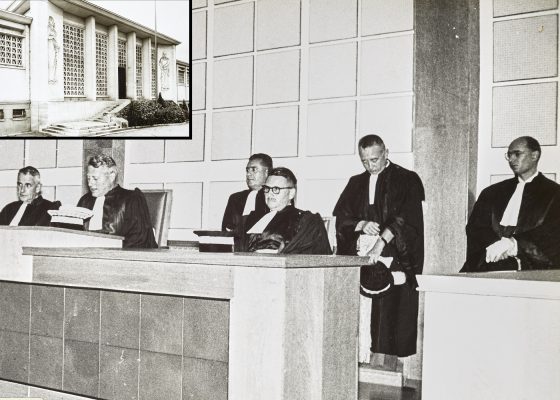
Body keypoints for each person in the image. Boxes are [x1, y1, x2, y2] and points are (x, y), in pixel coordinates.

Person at [333, 134, 425, 369]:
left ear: (386, 153)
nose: (370, 165)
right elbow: (342, 217)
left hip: (393, 254)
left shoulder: (407, 179)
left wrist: (381, 242)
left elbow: (406, 219)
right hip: (362, 255)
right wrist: (361, 224)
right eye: (364, 161)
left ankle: (386, 365)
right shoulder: (355, 182)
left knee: (390, 313)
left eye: (374, 159)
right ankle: (361, 360)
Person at [462, 136, 560, 272]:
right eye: (509, 155)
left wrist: (515, 245)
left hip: (531, 269)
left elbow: (553, 234)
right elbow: (476, 228)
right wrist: (496, 246)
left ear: (534, 155)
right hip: (490, 263)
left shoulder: (554, 193)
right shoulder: (491, 192)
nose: (512, 159)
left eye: (517, 154)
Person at [240, 167, 331, 255]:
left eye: (276, 189)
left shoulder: (305, 220)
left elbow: (308, 254)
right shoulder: (253, 219)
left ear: (291, 193)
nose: (270, 193)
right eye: (267, 188)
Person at [77, 155, 157, 249]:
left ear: (112, 175)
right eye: (88, 178)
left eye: (95, 178)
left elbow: (139, 241)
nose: (90, 183)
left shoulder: (132, 199)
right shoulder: (84, 201)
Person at [222, 153, 272, 234]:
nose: (248, 174)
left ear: (266, 172)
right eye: (247, 170)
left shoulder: (273, 197)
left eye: (254, 169)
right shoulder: (235, 198)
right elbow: (225, 229)